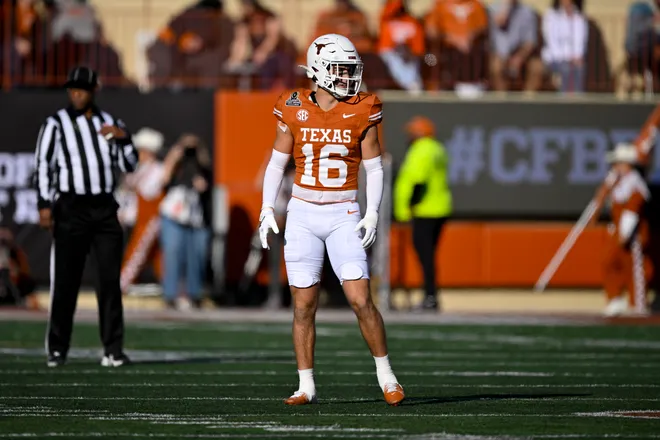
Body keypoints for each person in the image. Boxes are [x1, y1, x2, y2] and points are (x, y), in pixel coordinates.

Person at [258, 33, 404, 406]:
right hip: (303, 213)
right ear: (320, 70)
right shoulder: (292, 105)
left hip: (343, 213)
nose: (348, 78)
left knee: (360, 299)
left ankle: (387, 376)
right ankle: (306, 385)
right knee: (304, 305)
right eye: (341, 70)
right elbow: (277, 163)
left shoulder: (363, 107)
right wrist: (267, 208)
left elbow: (374, 167)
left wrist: (371, 212)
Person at [33, 65, 138, 367]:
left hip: (104, 209)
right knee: (66, 281)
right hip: (71, 207)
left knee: (108, 281)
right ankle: (57, 348)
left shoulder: (110, 122)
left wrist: (123, 138)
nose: (76, 94)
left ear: (94, 90)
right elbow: (43, 165)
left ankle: (113, 350)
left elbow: (129, 165)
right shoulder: (56, 123)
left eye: (82, 89)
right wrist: (44, 204)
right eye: (72, 89)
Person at [393, 117, 452, 312]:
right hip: (440, 207)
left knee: (425, 255)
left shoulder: (422, 150)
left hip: (425, 209)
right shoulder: (437, 148)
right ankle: (430, 295)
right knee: (429, 255)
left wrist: (408, 206)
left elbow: (418, 180)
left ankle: (430, 296)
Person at [596, 144, 653, 316]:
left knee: (634, 268)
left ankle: (637, 303)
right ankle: (614, 299)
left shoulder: (635, 184)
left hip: (632, 234)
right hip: (617, 231)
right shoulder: (617, 183)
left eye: (618, 163)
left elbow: (632, 210)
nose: (615, 167)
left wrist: (625, 233)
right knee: (608, 261)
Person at [158, 134, 212, 309]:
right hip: (174, 214)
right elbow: (164, 179)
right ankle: (170, 295)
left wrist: (198, 148)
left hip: (195, 217)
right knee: (173, 253)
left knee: (195, 256)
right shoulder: (176, 165)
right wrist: (177, 152)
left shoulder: (200, 166)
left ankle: (194, 293)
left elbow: (207, 172)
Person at [119, 127, 166, 294]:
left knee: (137, 253)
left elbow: (149, 194)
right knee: (156, 255)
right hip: (136, 218)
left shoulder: (158, 170)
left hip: (149, 220)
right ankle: (170, 285)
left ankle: (121, 284)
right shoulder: (138, 169)